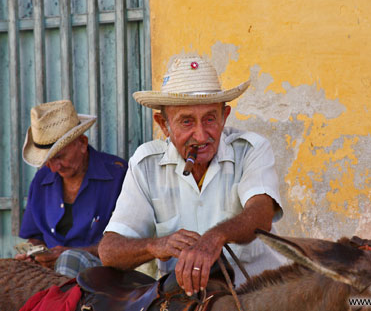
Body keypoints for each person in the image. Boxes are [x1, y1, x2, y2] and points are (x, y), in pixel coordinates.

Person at [98, 55, 287, 296]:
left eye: (210, 118)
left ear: (224, 116)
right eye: (186, 122)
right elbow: (109, 251)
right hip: (187, 303)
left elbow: (261, 214)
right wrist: (156, 246)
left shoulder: (251, 150)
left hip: (259, 298)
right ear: (163, 124)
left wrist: (214, 238)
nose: (200, 135)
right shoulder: (146, 164)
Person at [16, 100, 127, 278]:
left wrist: (73, 252)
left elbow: (128, 241)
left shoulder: (117, 175)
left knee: (69, 260)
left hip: (103, 274)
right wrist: (34, 255)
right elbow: (35, 235)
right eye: (48, 161)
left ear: (82, 143)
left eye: (59, 157)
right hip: (51, 273)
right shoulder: (42, 179)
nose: (53, 168)